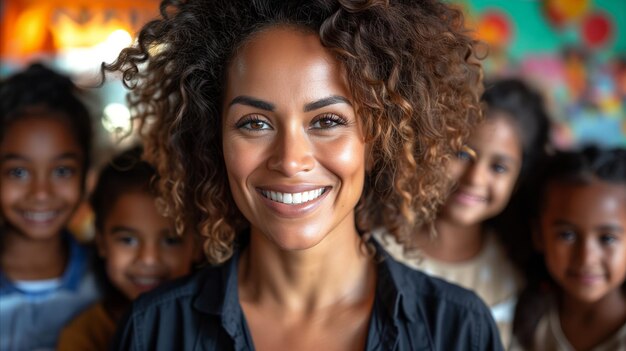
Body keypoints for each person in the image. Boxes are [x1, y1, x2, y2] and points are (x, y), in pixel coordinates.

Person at [106, 0, 503, 349]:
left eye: (327, 120)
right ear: (216, 143)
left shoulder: (457, 329)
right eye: (255, 124)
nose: (291, 160)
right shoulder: (154, 330)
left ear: (379, 142)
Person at [377, 78, 551, 347]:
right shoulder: (379, 246)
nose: (475, 178)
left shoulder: (510, 275)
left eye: (499, 167)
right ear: (433, 148)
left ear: (519, 181)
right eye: (461, 153)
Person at [56, 146, 198, 351]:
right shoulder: (84, 336)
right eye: (128, 240)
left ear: (198, 245)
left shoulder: (218, 323)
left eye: (171, 241)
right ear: (101, 242)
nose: (149, 259)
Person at [0, 63, 99, 350]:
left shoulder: (110, 278)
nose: (41, 193)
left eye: (62, 171)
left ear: (85, 175)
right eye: (18, 172)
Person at [512, 147, 626, 350]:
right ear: (538, 235)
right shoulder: (521, 320)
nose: (586, 258)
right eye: (567, 235)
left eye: (607, 238)